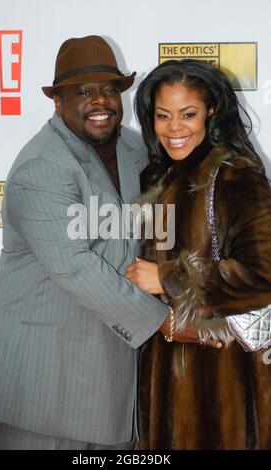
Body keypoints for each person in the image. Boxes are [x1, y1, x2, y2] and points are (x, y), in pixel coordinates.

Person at [0, 35, 177, 450]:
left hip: (110, 378)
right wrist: (168, 321)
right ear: (58, 101)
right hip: (41, 384)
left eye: (108, 89)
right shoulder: (42, 166)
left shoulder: (135, 146)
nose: (100, 101)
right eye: (83, 92)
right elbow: (74, 266)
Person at [125, 59, 271, 449]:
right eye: (163, 116)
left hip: (222, 380)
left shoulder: (234, 172)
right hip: (163, 373)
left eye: (187, 114)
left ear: (211, 111)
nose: (174, 128)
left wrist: (168, 277)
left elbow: (263, 272)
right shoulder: (156, 175)